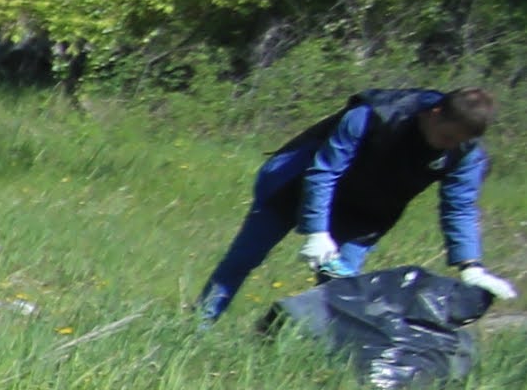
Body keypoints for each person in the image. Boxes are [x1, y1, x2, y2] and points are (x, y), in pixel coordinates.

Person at [194, 85, 504, 322]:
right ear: (435, 113)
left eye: (459, 142)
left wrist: (470, 264)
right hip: (295, 186)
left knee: (340, 288)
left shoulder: (465, 153)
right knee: (243, 258)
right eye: (448, 137)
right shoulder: (375, 114)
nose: (450, 147)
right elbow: (324, 171)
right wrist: (316, 231)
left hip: (364, 213)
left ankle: (293, 347)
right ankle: (200, 325)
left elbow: (459, 207)